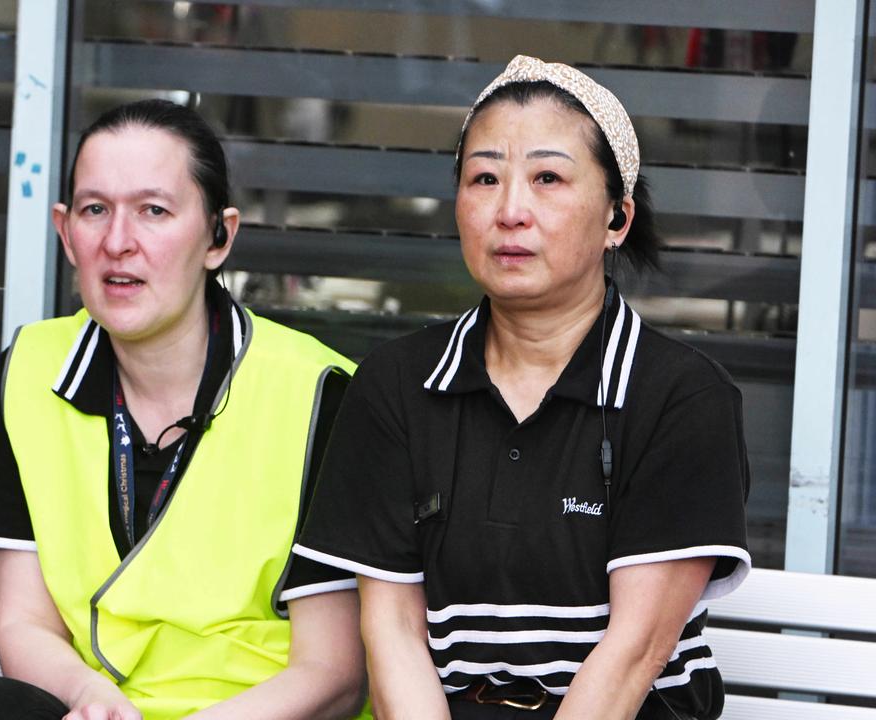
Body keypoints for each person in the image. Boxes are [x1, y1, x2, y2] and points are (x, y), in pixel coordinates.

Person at [294, 56, 751, 720]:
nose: (510, 210)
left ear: (617, 219)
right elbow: (392, 635)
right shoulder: (396, 385)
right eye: (484, 178)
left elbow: (632, 656)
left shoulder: (680, 398)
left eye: (548, 178)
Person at [0, 99, 367, 720]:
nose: (118, 242)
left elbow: (334, 673)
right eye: (95, 210)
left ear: (219, 236)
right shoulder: (28, 372)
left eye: (154, 211)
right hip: (102, 713)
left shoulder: (320, 392)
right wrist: (88, 695)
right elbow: (24, 623)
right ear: (65, 232)